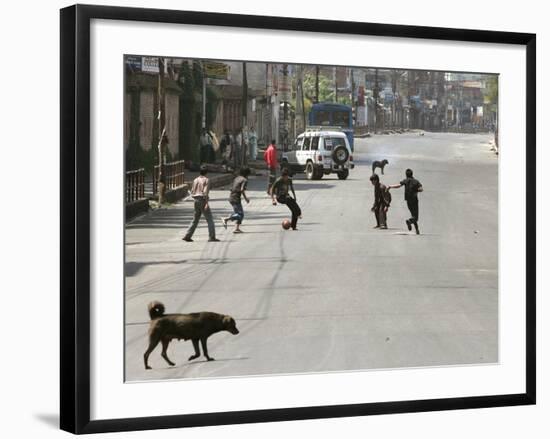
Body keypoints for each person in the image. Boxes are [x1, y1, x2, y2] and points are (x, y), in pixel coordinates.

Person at [182, 165, 219, 242]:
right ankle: (212, 237)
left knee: (195, 219)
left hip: (196, 200)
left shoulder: (196, 180)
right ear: (206, 172)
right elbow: (205, 192)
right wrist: (206, 203)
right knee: (209, 219)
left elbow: (192, 191)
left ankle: (187, 235)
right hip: (202, 199)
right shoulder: (207, 180)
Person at [388, 168, 423, 234]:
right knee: (415, 217)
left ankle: (417, 230)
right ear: (412, 174)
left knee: (413, 215)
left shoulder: (405, 180)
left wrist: (390, 186)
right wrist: (416, 191)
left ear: (406, 175)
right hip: (414, 200)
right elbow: (421, 189)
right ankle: (409, 221)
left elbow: (398, 185)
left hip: (408, 201)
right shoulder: (416, 181)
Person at [221, 167, 251, 234]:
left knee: (238, 214)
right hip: (235, 198)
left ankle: (237, 228)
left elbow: (231, 188)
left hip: (232, 197)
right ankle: (226, 219)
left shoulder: (237, 178)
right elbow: (242, 189)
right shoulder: (244, 180)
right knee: (240, 214)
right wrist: (246, 199)